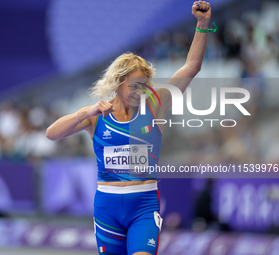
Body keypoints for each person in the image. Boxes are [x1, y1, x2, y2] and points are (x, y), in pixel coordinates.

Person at [46, 2, 212, 254]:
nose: (139, 91)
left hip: (143, 205)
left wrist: (202, 25)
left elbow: (191, 67)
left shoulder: (155, 105)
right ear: (118, 83)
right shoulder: (97, 116)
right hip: (107, 207)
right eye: (134, 85)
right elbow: (52, 133)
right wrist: (86, 111)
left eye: (143, 85)